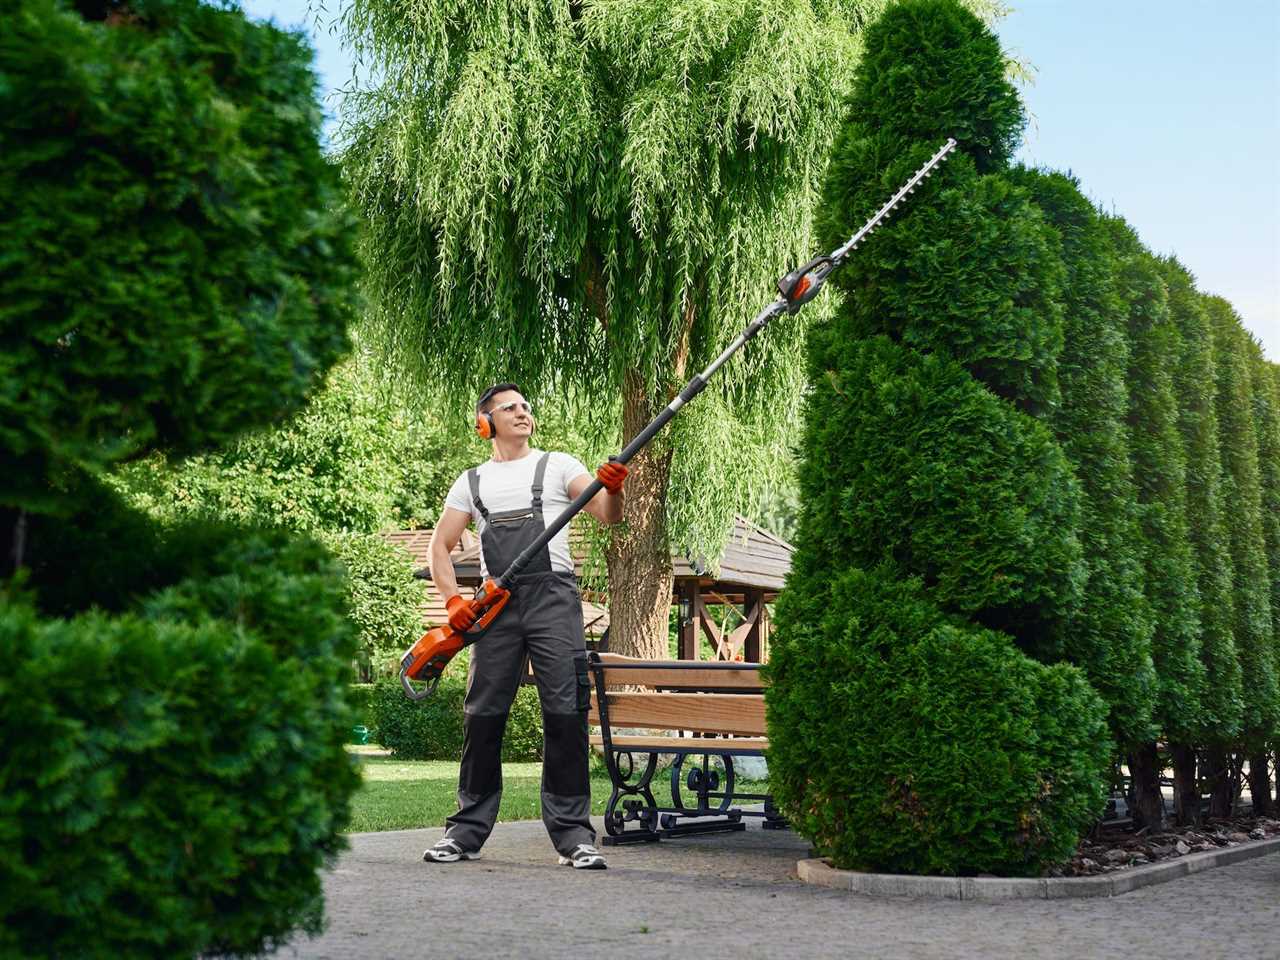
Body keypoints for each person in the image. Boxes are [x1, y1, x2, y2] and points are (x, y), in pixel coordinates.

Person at [422, 383, 626, 870]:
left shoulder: (558, 465)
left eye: (526, 406)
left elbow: (607, 516)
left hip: (553, 598)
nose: (522, 412)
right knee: (483, 713)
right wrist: (453, 601)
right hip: (496, 606)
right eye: (509, 408)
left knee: (565, 711)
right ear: (484, 423)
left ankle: (574, 835)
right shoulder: (470, 482)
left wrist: (614, 489)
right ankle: (464, 832)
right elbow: (439, 548)